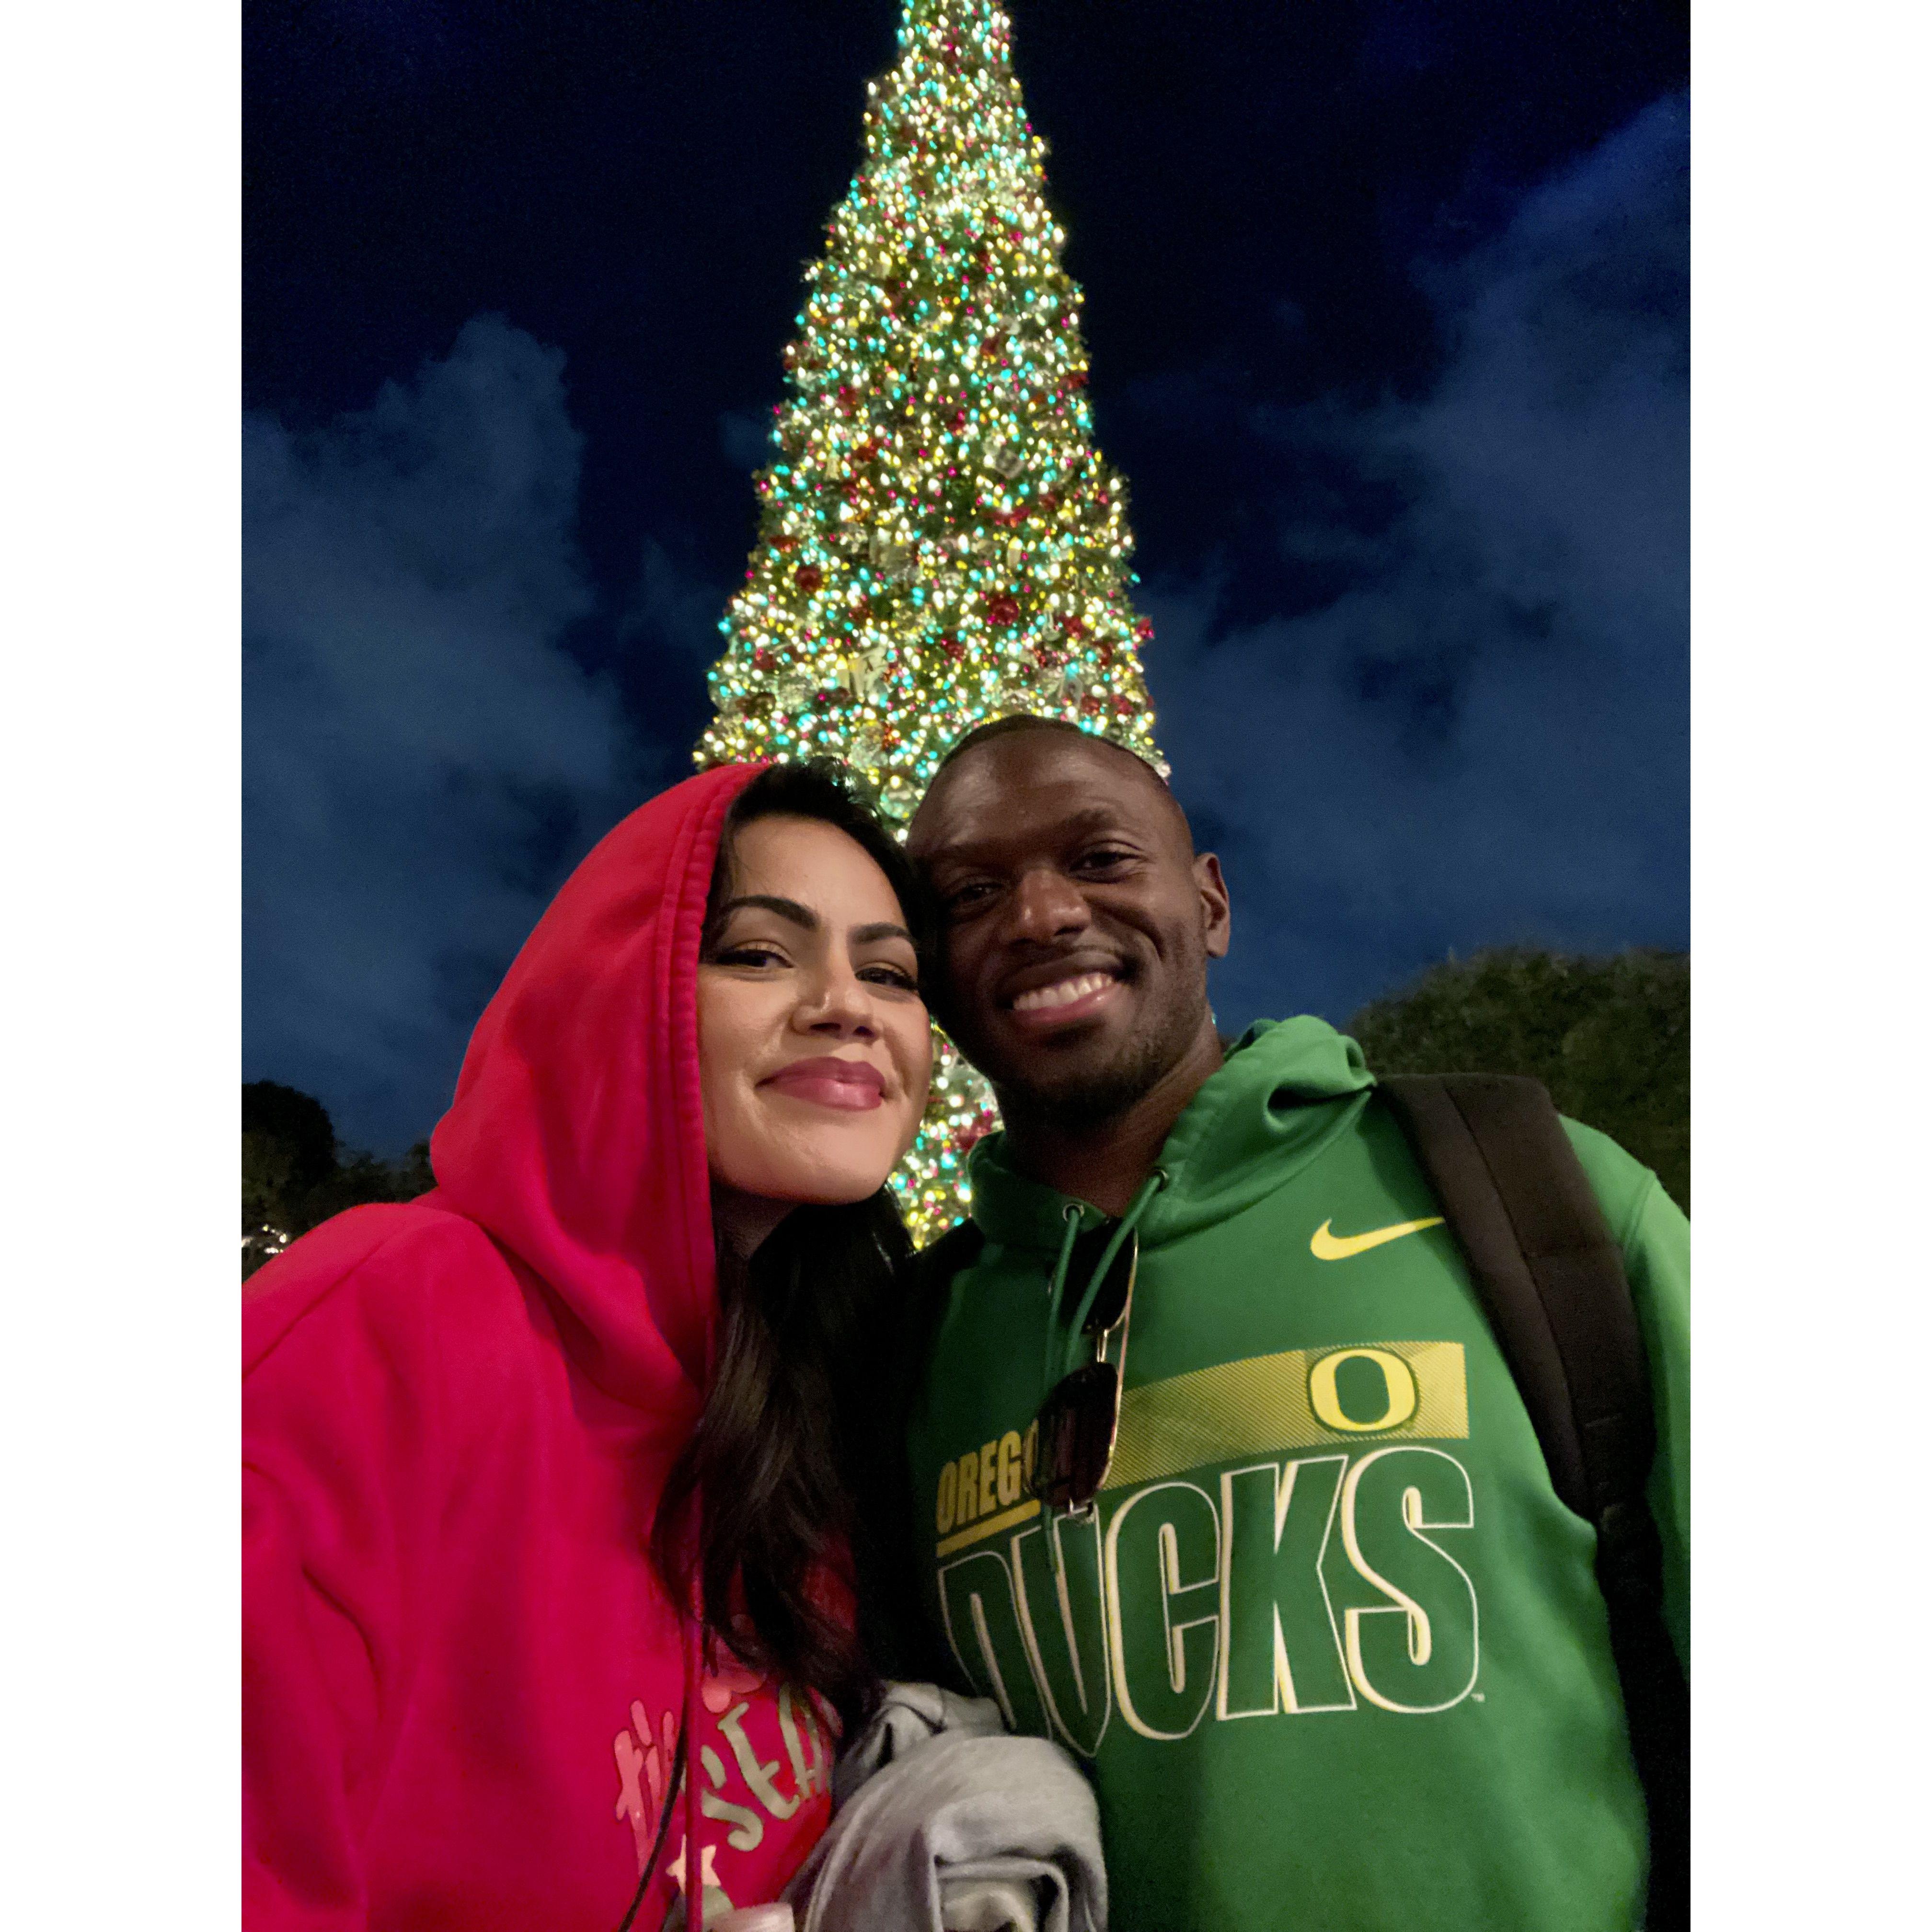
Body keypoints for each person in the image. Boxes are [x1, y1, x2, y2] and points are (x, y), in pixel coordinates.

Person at [889, 714, 1689, 1932]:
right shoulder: (907, 1350)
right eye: (972, 894)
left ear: (1210, 904)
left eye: (1101, 859)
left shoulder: (1529, 1192)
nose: (1043, 914)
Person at [244, 759, 934, 1930]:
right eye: (759, 955)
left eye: (890, 974)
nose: (847, 1005)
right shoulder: (386, 1319)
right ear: (617, 990)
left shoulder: (809, 1428)